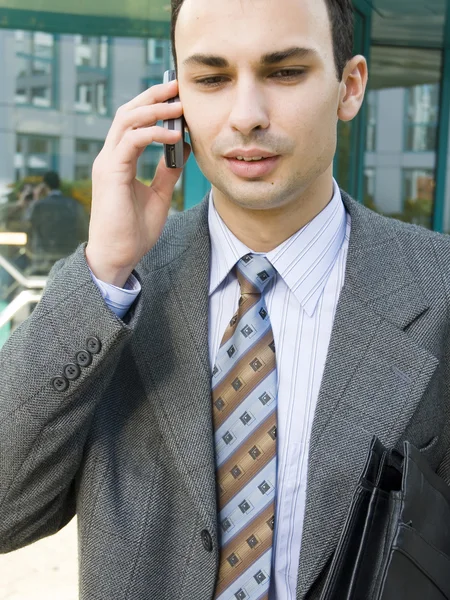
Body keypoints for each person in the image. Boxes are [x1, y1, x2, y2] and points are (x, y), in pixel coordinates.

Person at [0, 1, 449, 599]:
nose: (246, 116)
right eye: (211, 79)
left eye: (285, 72)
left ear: (350, 87)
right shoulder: (117, 291)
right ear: (173, 99)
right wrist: (103, 268)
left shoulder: (435, 287)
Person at [25, 171, 89, 274]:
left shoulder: (39, 206)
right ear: (59, 184)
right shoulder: (73, 205)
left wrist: (36, 197)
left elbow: (27, 224)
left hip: (43, 262)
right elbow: (83, 230)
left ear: (44, 186)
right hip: (69, 261)